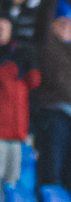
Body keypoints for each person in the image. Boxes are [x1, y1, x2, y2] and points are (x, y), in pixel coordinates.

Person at [33, 2, 71, 194]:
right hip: (55, 113)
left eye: (70, 23)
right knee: (51, 168)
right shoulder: (48, 46)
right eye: (62, 23)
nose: (68, 27)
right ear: (52, 25)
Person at [0, 17, 38, 186]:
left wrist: (32, 63)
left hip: (17, 130)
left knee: (12, 180)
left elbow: (34, 82)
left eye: (4, 29)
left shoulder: (21, 57)